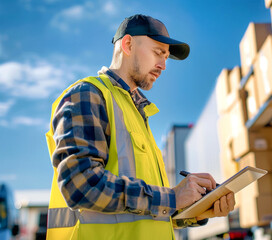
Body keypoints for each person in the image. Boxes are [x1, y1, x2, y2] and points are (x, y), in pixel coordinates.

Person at [45, 14, 235, 240]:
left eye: (166, 57)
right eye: (158, 53)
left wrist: (196, 209)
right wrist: (172, 197)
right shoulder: (87, 95)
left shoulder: (136, 113)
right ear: (127, 44)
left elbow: (144, 211)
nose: (164, 65)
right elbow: (80, 184)